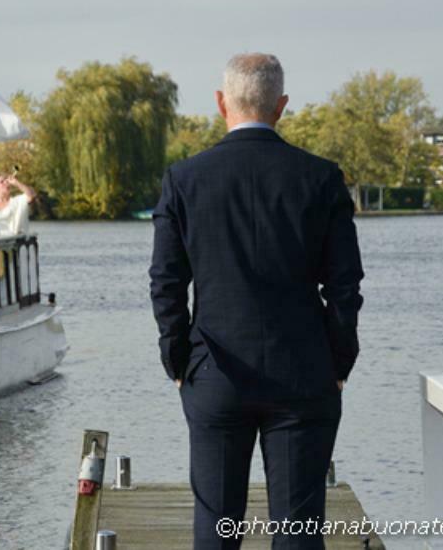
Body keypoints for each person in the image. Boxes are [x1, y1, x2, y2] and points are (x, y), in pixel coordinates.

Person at [149, 53, 364, 549]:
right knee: (297, 529)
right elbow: (345, 285)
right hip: (305, 375)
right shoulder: (321, 178)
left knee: (218, 527)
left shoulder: (184, 180)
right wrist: (339, 362)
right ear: (281, 106)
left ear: (221, 102)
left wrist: (178, 360)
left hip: (215, 373)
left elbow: (166, 282)